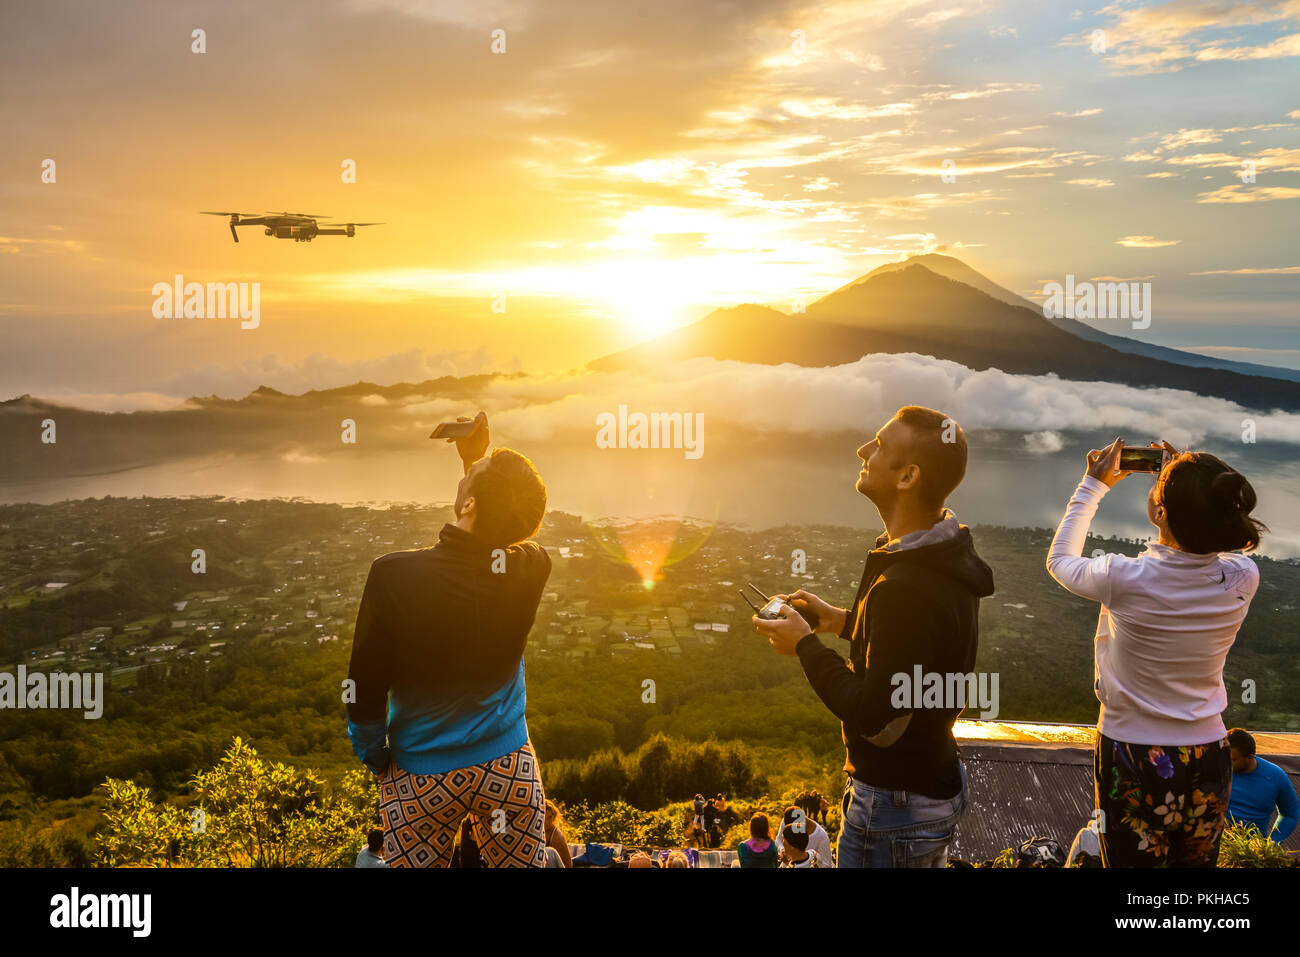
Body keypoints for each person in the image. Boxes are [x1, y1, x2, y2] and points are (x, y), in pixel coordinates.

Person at [755, 406, 994, 868]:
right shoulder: (942, 553)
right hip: (929, 784)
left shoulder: (906, 585)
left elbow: (871, 712)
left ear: (907, 477)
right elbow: (913, 650)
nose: (863, 450)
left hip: (894, 807)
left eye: (879, 445)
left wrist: (805, 645)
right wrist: (841, 622)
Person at [346, 412, 553, 868]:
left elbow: (365, 679)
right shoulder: (532, 567)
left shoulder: (393, 576)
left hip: (422, 777)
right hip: (507, 766)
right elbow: (493, 541)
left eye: (472, 481)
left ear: (469, 504)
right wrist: (476, 464)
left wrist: (373, 754)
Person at [1047, 439, 1266, 867]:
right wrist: (1188, 485)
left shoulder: (1124, 577)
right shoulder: (1243, 576)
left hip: (1133, 754)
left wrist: (1093, 485)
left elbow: (1060, 560)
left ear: (1160, 513)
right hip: (1208, 756)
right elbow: (1209, 543)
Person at [1226, 728, 1299, 843]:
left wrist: (1272, 842)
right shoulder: (1215, 771)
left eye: (1232, 760)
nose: (1225, 763)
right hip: (1216, 847)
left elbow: (1290, 814)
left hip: (1253, 850)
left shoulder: (1276, 776)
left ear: (1250, 757)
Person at [544, 801, 574, 868]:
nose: (548, 822)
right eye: (544, 818)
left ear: (554, 817)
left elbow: (568, 865)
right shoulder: (539, 831)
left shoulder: (556, 836)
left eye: (549, 817)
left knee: (549, 851)